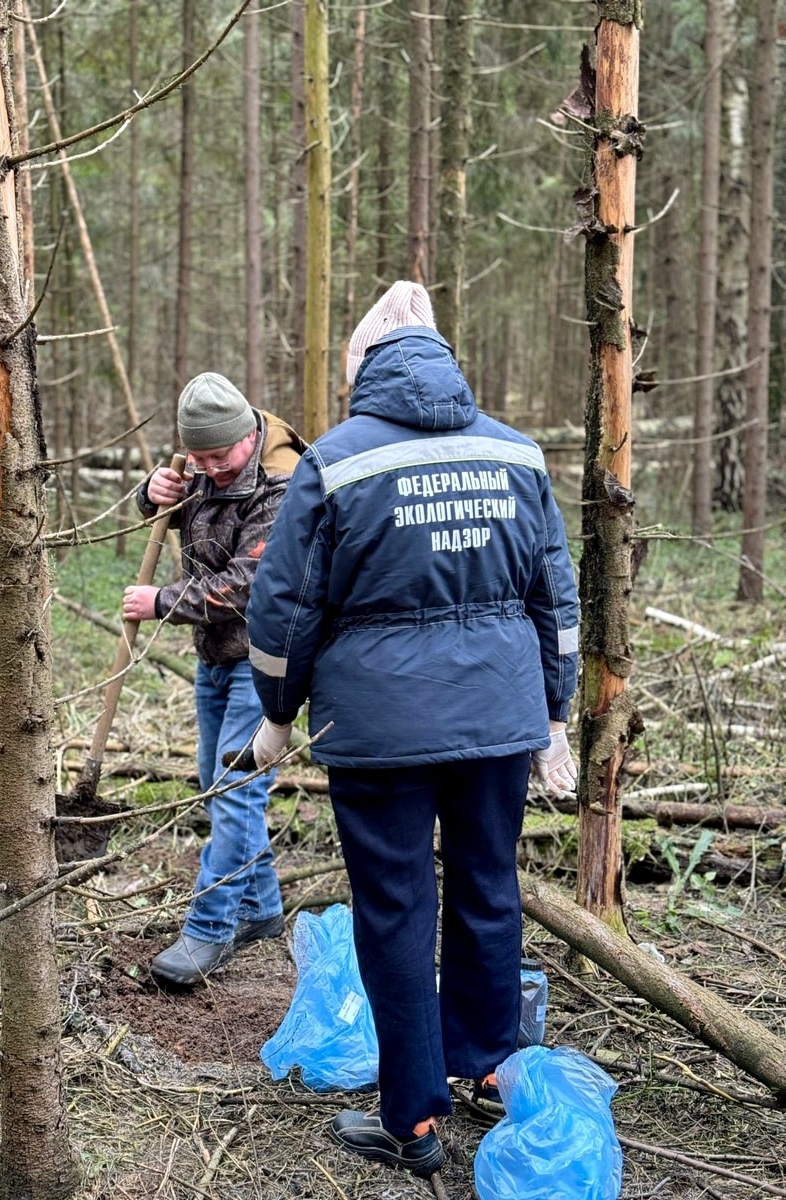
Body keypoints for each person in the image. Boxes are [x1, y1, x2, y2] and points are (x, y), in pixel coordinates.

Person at [244, 282, 579, 1177]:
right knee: (488, 888)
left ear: (365, 368)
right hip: (499, 720)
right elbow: (556, 596)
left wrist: (276, 712)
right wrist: (553, 711)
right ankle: (488, 1065)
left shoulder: (335, 462)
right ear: (441, 357)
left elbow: (285, 608)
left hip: (378, 729)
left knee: (395, 909)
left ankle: (414, 1122)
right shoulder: (516, 453)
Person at [122, 371, 305, 988]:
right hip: (216, 656)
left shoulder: (281, 484)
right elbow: (170, 513)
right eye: (197, 458)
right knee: (217, 782)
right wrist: (152, 494)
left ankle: (210, 926)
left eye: (220, 456)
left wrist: (161, 601)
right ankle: (260, 908)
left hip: (265, 662)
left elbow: (248, 584)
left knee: (234, 790)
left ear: (247, 435)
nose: (209, 468)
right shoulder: (203, 467)